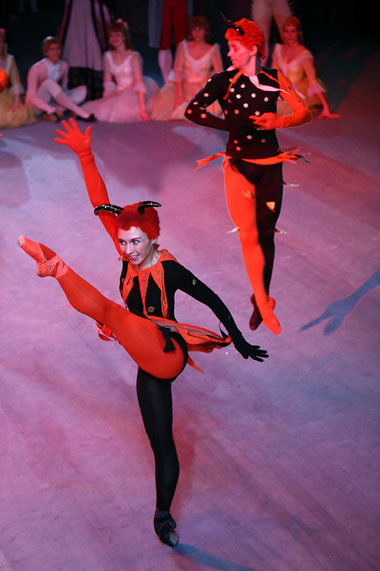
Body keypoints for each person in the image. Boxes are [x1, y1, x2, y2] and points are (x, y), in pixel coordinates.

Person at [18, 117, 268, 548]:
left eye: (136, 243)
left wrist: (239, 341)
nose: (128, 250)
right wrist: (83, 153)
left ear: (152, 238)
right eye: (124, 243)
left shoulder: (168, 267)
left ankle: (55, 266)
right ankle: (163, 515)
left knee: (113, 313)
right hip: (147, 363)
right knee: (161, 443)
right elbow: (100, 201)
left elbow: (212, 299)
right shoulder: (124, 250)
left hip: (166, 351)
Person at [185, 18, 311, 335]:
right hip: (238, 165)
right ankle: (266, 304)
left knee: (266, 235)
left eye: (235, 48)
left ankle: (260, 295)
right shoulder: (223, 81)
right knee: (248, 235)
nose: (229, 53)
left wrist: (278, 123)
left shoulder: (274, 77)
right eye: (229, 48)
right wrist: (230, 127)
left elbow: (304, 112)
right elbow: (193, 110)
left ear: (253, 49)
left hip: (270, 167)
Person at [81, 21, 158, 122]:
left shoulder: (133, 56)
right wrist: (106, 102)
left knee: (129, 112)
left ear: (124, 37)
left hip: (134, 92)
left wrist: (143, 110)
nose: (114, 38)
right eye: (111, 36)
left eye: (118, 35)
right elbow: (108, 82)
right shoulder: (107, 56)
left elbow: (139, 83)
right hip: (118, 92)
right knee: (101, 110)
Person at [151, 16, 223, 121]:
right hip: (184, 85)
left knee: (208, 110)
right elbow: (177, 70)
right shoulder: (183, 46)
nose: (197, 33)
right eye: (194, 29)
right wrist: (180, 94)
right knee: (175, 107)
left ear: (205, 31)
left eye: (200, 29)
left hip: (203, 86)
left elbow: (219, 73)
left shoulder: (213, 49)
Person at [272, 17, 340, 119]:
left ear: (299, 33)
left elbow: (313, 82)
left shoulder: (304, 55)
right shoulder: (278, 49)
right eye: (286, 31)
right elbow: (274, 73)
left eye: (293, 31)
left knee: (274, 109)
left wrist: (326, 107)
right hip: (281, 88)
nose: (289, 35)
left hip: (297, 93)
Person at [26, 36, 96, 123]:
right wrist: (50, 108)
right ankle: (79, 112)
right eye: (52, 49)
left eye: (58, 48)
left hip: (53, 101)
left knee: (83, 90)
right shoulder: (36, 68)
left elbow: (64, 88)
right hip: (36, 104)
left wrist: (61, 101)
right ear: (46, 52)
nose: (56, 52)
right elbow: (31, 97)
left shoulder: (64, 65)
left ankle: (52, 113)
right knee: (48, 82)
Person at [58, 0, 110, 101]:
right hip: (76, 9)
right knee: (75, 43)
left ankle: (94, 92)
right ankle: (71, 93)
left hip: (92, 10)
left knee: (93, 44)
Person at [0, 28, 35, 128]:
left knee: (15, 113)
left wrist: (17, 101)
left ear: (3, 44)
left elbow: (16, 82)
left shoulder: (9, 60)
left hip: (3, 96)